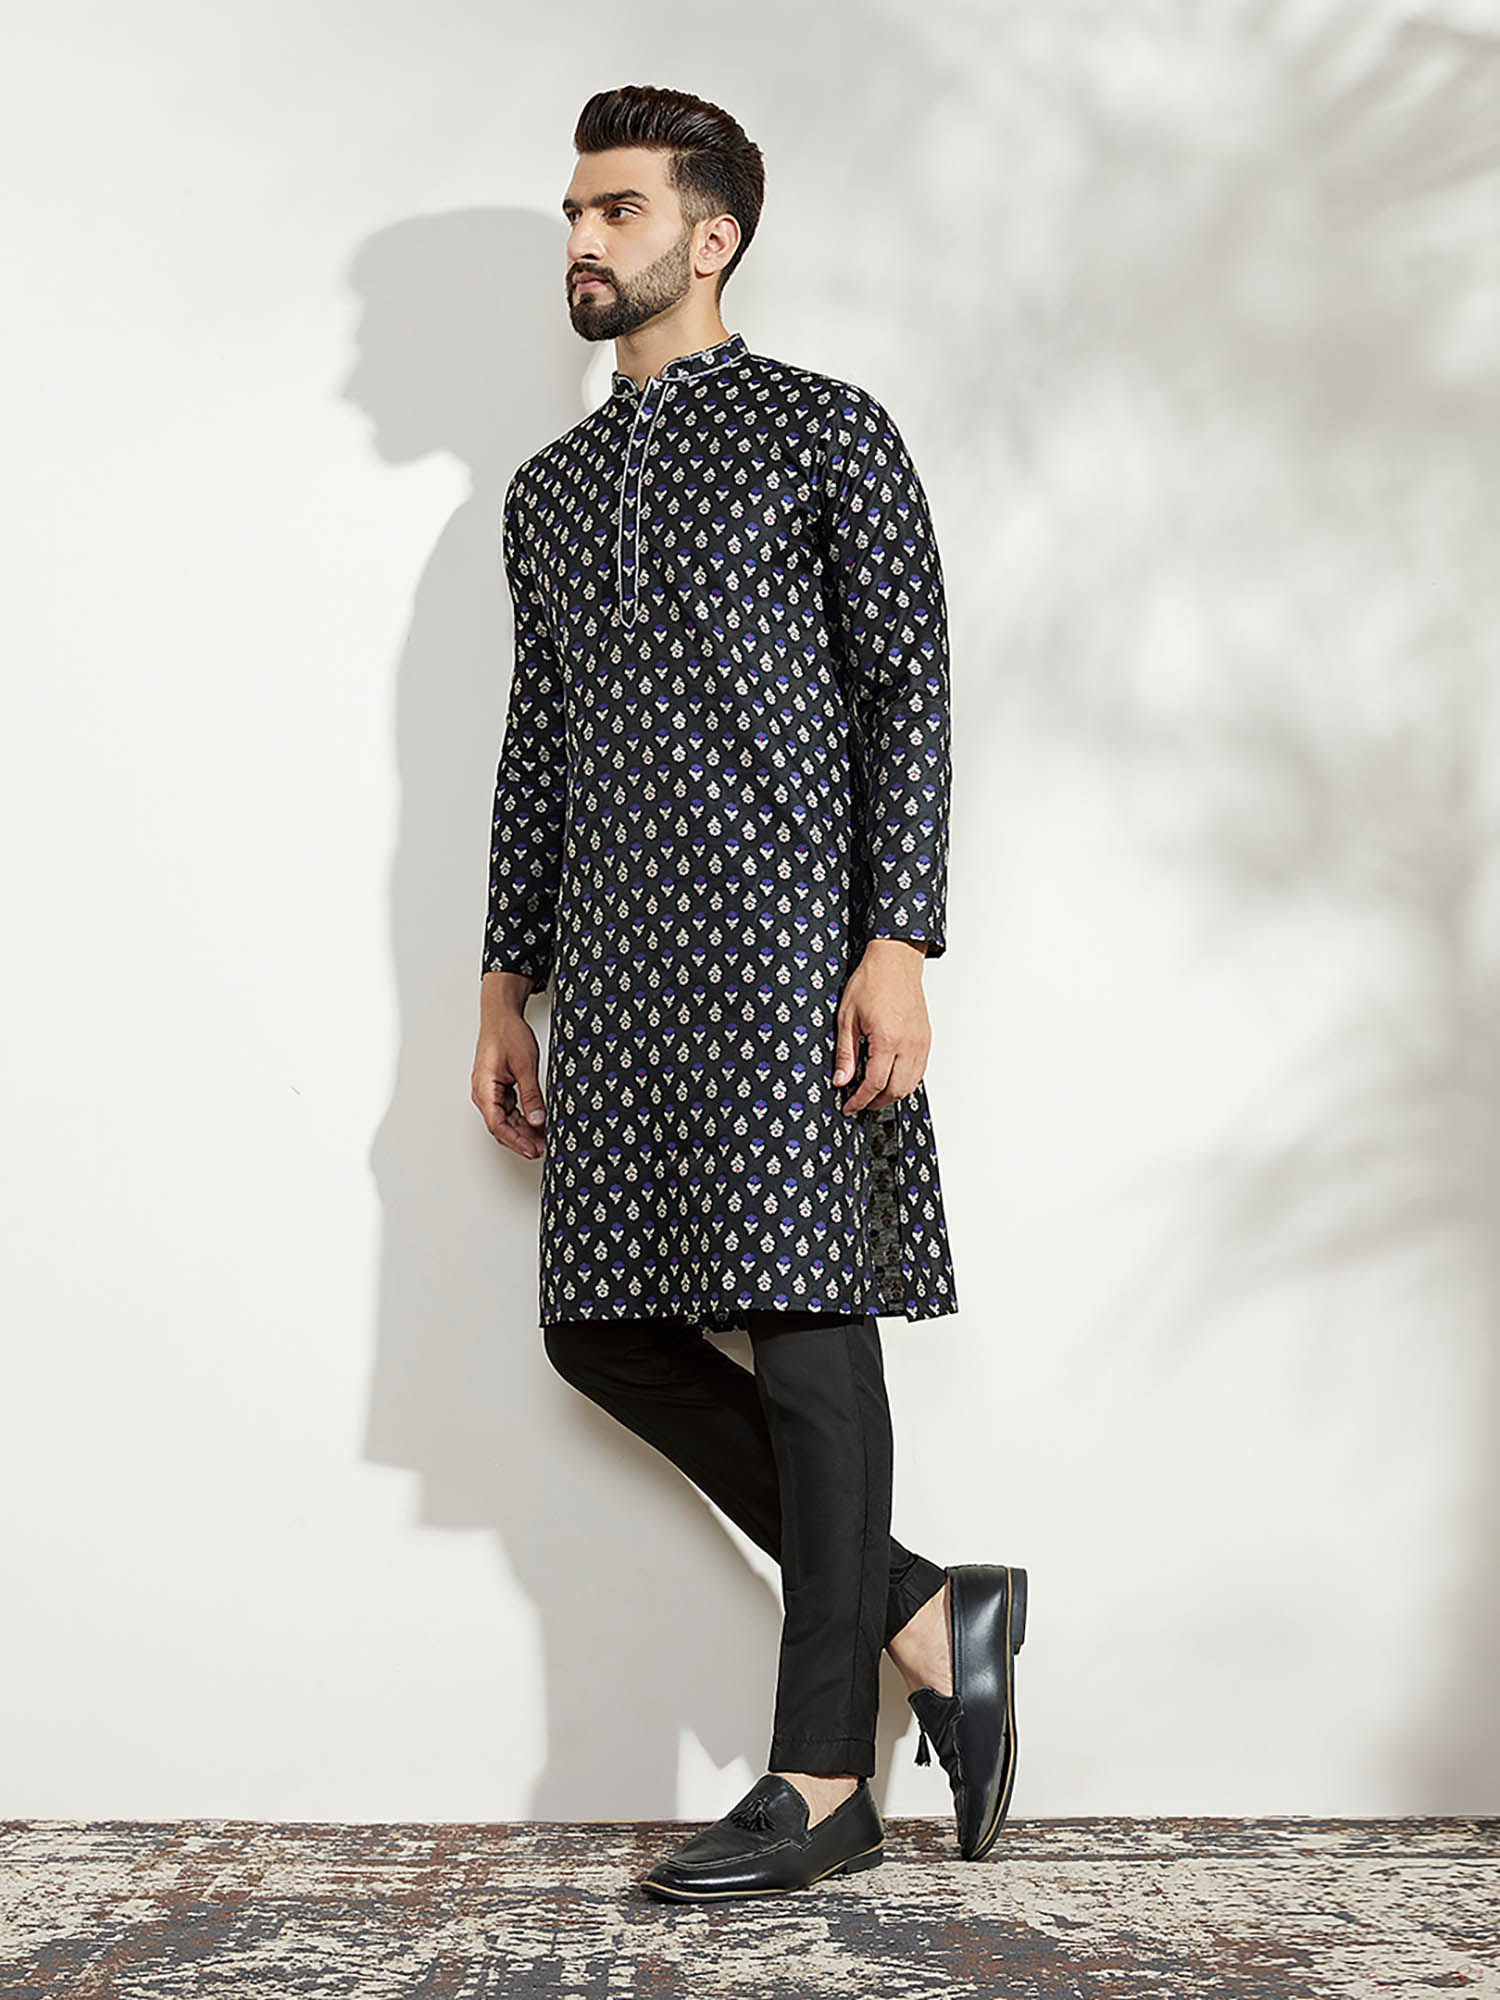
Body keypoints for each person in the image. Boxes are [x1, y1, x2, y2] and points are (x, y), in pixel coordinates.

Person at [471, 81, 1026, 1901]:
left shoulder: (824, 430)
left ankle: (824, 1775)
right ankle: (929, 1612)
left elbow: (909, 687)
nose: (582, 239)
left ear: (711, 238)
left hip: (794, 947)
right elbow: (539, 744)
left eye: (617, 211)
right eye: (574, 211)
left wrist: (899, 939)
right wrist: (506, 978)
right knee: (598, 1328)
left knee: (802, 1328)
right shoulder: (551, 491)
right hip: (624, 969)